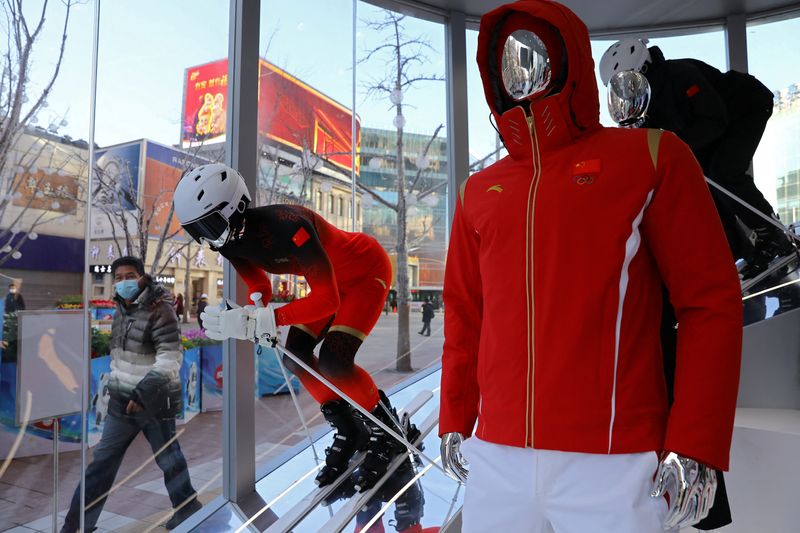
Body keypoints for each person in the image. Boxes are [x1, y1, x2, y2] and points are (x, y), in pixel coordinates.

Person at [438, 2, 742, 533]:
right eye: (506, 56)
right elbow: (465, 315)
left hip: (615, 462)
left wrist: (697, 442)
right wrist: (454, 421)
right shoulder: (479, 192)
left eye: (535, 49)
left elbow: (709, 303)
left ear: (569, 57)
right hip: (496, 456)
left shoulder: (650, 157)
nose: (520, 66)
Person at [173, 163, 418, 491]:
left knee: (335, 361)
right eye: (197, 231)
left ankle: (388, 433)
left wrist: (265, 319)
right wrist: (251, 312)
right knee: (295, 357)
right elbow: (258, 282)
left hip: (365, 273)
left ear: (235, 208)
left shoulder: (290, 225)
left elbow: (328, 300)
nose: (207, 238)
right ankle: (349, 427)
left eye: (209, 225)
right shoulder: (228, 239)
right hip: (332, 285)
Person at [599, 38, 796, 277]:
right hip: (712, 128)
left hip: (747, 107)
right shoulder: (648, 99)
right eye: (620, 89)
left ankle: (774, 237)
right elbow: (648, 138)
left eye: (628, 85)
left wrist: (676, 146)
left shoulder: (681, 74)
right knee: (703, 185)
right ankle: (740, 248)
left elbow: (714, 119)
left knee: (725, 174)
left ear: (643, 70)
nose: (627, 92)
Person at [60, 257, 201, 533]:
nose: (124, 281)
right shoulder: (121, 308)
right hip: (122, 401)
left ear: (142, 277)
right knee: (101, 463)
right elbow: (121, 356)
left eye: (130, 275)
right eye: (119, 276)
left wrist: (144, 391)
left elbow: (170, 358)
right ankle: (75, 526)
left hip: (155, 401)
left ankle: (187, 507)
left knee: (168, 458)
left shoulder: (160, 310)